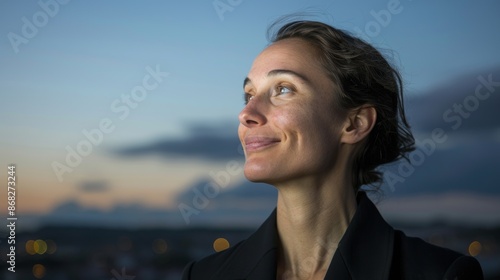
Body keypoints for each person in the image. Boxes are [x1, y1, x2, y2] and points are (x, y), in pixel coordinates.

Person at [182, 20, 484, 280]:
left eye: (283, 89)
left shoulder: (440, 274)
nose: (247, 113)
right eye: (249, 93)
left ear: (354, 124)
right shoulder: (205, 275)